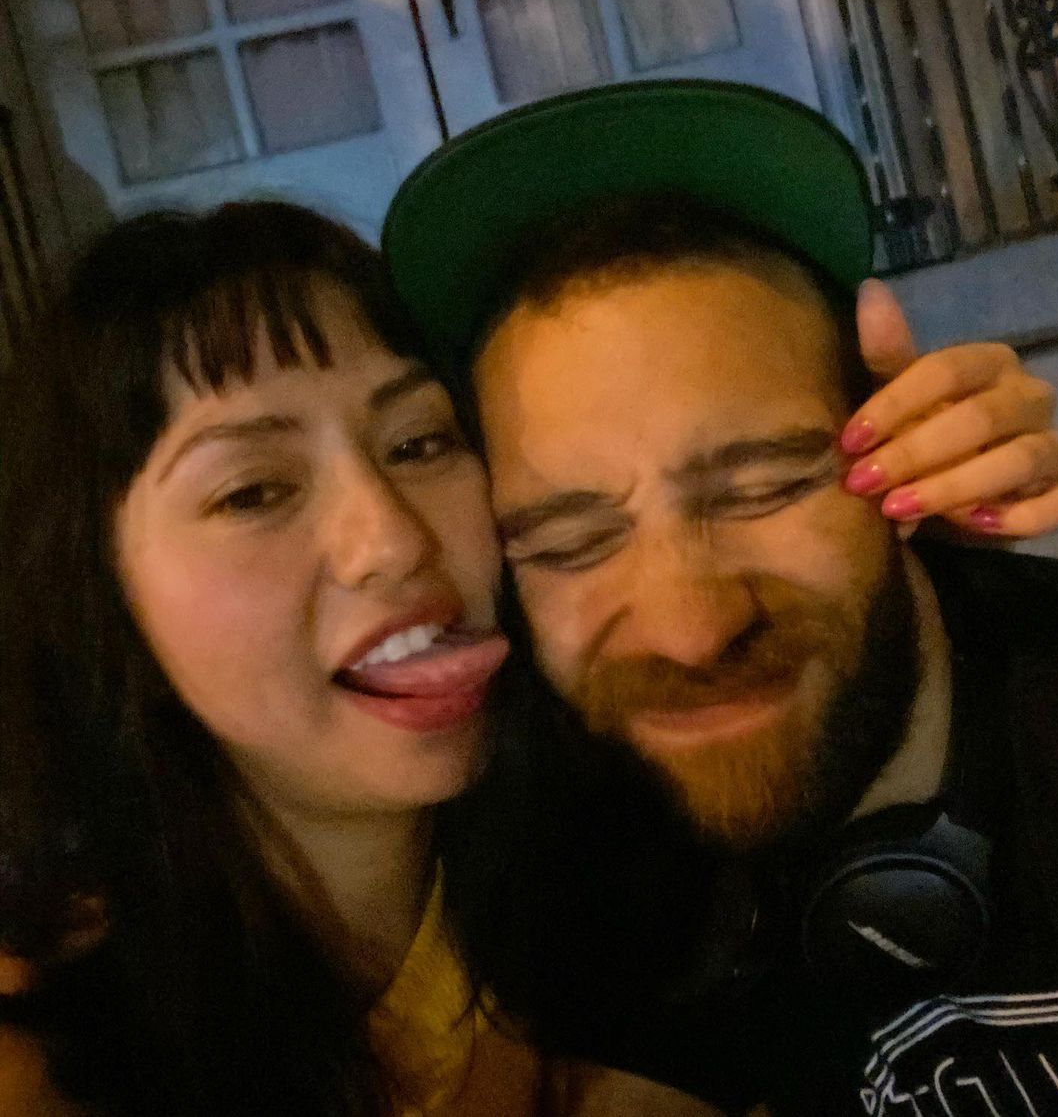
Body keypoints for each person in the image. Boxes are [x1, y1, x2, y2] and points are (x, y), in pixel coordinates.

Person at [380, 80, 1058, 1115]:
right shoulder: (545, 909)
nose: (690, 630)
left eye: (762, 488)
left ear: (901, 435)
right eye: (571, 543)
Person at [0, 200, 717, 1116]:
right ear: (100, 596)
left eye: (419, 444)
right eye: (254, 491)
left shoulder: (653, 879)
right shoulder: (46, 1059)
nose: (393, 540)